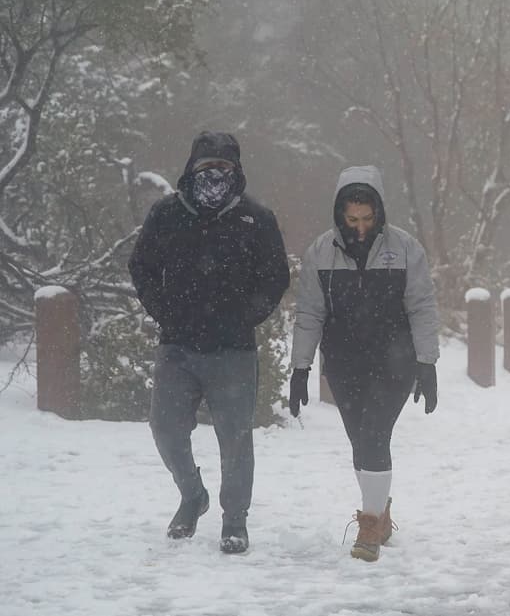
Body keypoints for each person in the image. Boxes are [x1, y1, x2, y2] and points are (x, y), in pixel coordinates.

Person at [128, 131, 290, 554]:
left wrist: (245, 316)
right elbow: (141, 266)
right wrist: (164, 310)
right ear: (191, 168)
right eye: (205, 167)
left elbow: (276, 277)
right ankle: (192, 495)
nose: (214, 175)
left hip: (234, 350)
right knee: (165, 429)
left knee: (235, 439)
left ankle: (234, 519)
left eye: (222, 167)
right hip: (177, 346)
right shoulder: (166, 214)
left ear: (236, 170)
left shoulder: (256, 217)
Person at [289, 165, 440, 562]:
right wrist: (300, 368)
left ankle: (370, 524)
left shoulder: (405, 249)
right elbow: (310, 313)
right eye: (352, 219)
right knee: (361, 440)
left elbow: (422, 307)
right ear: (340, 214)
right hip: (343, 363)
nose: (359, 228)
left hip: (395, 360)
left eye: (367, 219)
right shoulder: (320, 252)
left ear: (380, 212)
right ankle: (380, 512)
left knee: (373, 434)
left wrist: (427, 363)